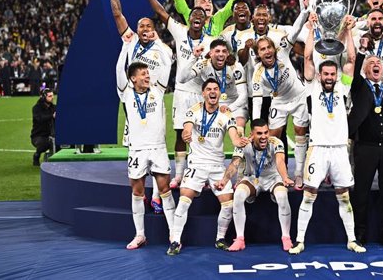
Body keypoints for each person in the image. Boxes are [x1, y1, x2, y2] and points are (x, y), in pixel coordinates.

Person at [288, 13, 365, 255]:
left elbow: (351, 58)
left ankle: (351, 240)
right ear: (320, 76)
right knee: (309, 196)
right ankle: (299, 240)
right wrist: (310, 29)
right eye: (326, 74)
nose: (330, 78)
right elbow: (309, 56)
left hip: (340, 150)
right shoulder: (312, 86)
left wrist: (349, 30)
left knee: (344, 197)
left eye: (332, 74)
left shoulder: (343, 86)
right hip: (318, 149)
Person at [108, 0, 173, 214]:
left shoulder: (163, 49)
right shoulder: (131, 40)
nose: (143, 28)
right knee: (135, 144)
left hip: (155, 101)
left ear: (154, 29)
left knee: (157, 145)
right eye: (140, 26)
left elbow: (167, 73)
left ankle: (157, 196)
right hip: (134, 103)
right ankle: (141, 191)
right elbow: (117, 14)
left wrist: (157, 41)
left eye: (148, 25)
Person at [141, 0, 213, 190]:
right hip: (182, 93)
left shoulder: (209, 41)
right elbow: (162, 12)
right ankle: (179, 175)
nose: (198, 17)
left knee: (202, 135)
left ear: (205, 21)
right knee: (182, 133)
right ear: (189, 19)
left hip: (200, 94)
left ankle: (202, 173)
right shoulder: (180, 31)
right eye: (194, 15)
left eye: (201, 15)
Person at [167, 78, 249, 255]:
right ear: (203, 93)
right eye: (209, 89)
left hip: (217, 166)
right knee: (183, 200)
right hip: (196, 164)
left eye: (216, 89)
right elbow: (186, 129)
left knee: (228, 204)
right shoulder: (193, 111)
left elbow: (234, 137)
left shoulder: (226, 114)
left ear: (219, 93)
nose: (213, 92)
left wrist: (239, 141)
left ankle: (220, 238)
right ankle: (175, 240)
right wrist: (186, 134)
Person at [115, 53, 176, 251]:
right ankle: (140, 234)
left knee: (165, 190)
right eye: (143, 73)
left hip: (158, 147)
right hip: (137, 149)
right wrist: (126, 46)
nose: (147, 76)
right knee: (137, 192)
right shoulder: (126, 93)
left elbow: (167, 64)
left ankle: (174, 234)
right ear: (133, 78)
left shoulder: (157, 90)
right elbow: (118, 69)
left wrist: (159, 43)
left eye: (148, 73)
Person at [214, 119, 295, 252]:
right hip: (252, 178)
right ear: (252, 134)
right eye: (259, 133)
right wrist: (224, 180)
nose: (264, 137)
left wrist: (285, 177)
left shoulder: (276, 142)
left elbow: (280, 161)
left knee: (282, 195)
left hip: (273, 178)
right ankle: (240, 239)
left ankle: (286, 237)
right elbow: (234, 163)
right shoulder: (243, 144)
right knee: (239, 194)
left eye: (266, 132)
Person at [348, 52, 383, 247]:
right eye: (372, 63)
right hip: (365, 148)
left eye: (379, 63)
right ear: (365, 70)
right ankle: (360, 234)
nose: (376, 65)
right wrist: (362, 52)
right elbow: (355, 75)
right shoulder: (359, 87)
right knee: (361, 193)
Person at [251, 36, 309, 189]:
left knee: (300, 133)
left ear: (273, 48)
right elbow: (257, 101)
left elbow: (295, 31)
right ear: (258, 54)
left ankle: (298, 174)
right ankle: (273, 174)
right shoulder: (257, 73)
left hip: (299, 97)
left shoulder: (282, 52)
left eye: (269, 47)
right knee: (271, 137)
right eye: (262, 49)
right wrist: (256, 126)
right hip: (279, 101)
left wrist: (303, 13)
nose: (267, 51)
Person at [180, 39, 248, 134]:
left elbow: (243, 96)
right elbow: (182, 79)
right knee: (204, 131)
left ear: (228, 54)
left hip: (235, 103)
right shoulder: (203, 64)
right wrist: (193, 57)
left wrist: (230, 108)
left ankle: (240, 146)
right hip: (213, 103)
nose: (221, 54)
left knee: (239, 129)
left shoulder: (235, 67)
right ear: (210, 53)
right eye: (217, 51)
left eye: (224, 51)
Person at [31, 88, 56, 166]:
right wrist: (52, 116)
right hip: (38, 135)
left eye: (52, 96)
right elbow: (40, 119)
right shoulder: (36, 108)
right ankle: (37, 155)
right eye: (49, 96)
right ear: (43, 97)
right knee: (44, 144)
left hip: (52, 134)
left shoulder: (54, 107)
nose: (52, 98)